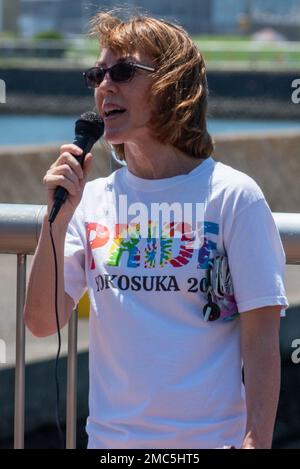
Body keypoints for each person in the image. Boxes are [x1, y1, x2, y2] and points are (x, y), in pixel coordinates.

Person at [24, 10, 289, 449]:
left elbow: (262, 338)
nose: (105, 85)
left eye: (123, 71)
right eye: (97, 74)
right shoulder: (92, 201)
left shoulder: (233, 196)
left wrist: (255, 441)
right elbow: (40, 321)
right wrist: (59, 220)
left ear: (172, 85)